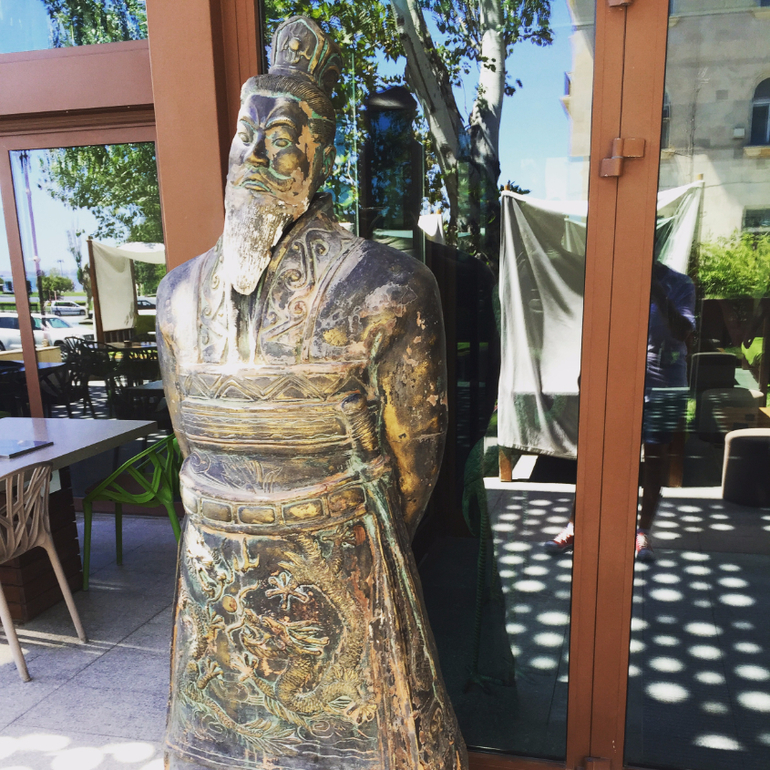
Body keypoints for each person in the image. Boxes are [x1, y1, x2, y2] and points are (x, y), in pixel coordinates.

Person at [156, 16, 467, 770]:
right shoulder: (177, 296)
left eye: (282, 138)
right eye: (246, 137)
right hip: (216, 569)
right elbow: (188, 439)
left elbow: (415, 470)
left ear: (319, 154)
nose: (257, 157)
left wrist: (332, 530)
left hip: (341, 564)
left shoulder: (389, 287)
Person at [545, 258, 695, 562]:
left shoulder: (681, 284)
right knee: (599, 459)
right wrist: (587, 371)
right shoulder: (618, 281)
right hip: (620, 386)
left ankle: (642, 533)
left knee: (655, 460)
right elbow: (601, 331)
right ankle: (575, 526)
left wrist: (658, 293)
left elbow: (682, 332)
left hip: (665, 387)